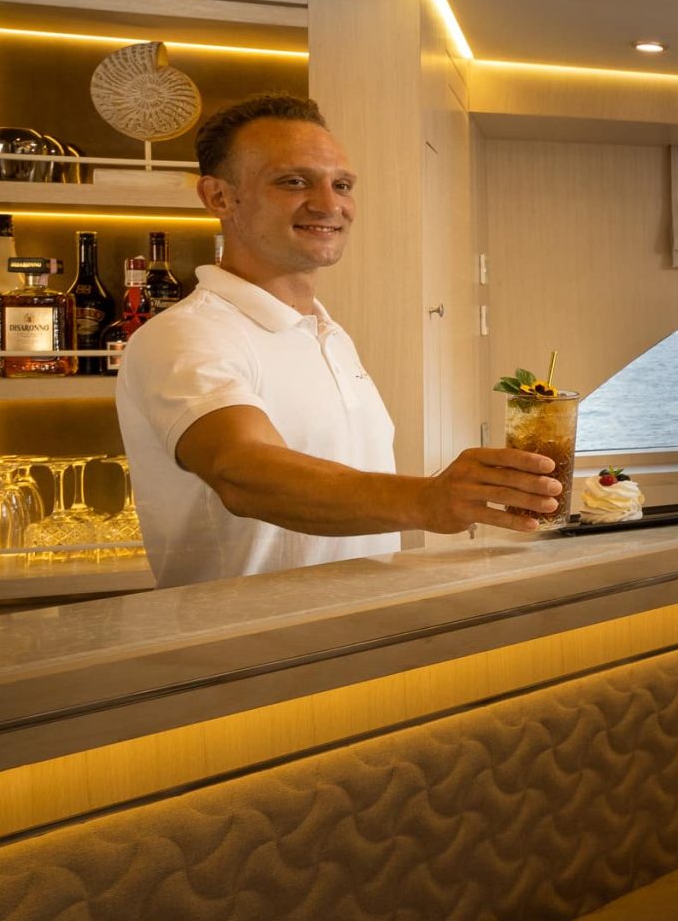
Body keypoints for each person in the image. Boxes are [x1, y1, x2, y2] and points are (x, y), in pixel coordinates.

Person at [115, 93, 562, 588]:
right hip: (250, 650)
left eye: (342, 185)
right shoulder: (187, 334)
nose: (330, 205)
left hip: (356, 637)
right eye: (293, 182)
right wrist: (427, 500)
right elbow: (242, 470)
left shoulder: (328, 334)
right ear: (219, 197)